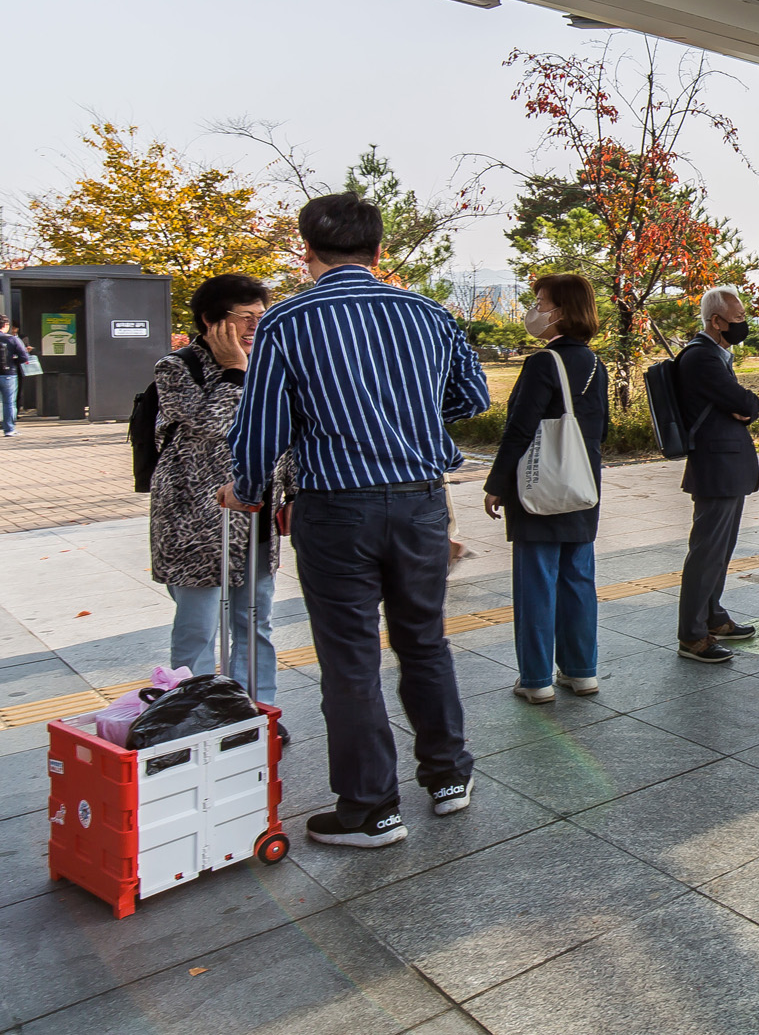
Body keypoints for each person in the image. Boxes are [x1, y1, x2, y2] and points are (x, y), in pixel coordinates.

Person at [226, 192, 489, 849]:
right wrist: (407, 415)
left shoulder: (287, 322)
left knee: (350, 659)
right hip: (421, 502)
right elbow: (472, 395)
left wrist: (248, 488)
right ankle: (449, 777)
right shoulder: (429, 314)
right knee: (424, 641)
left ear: (306, 249)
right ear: (379, 250)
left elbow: (262, 426)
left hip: (337, 508)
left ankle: (372, 809)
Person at [152, 274, 289, 732]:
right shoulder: (176, 368)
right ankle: (190, 719)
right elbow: (211, 426)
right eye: (245, 317)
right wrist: (234, 372)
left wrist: (290, 493)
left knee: (256, 621)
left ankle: (257, 713)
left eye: (260, 316)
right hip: (193, 519)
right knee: (198, 627)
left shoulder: (268, 362)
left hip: (255, 512)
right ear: (211, 321)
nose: (255, 327)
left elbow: (284, 435)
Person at [483, 273, 608, 705]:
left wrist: (497, 484)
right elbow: (601, 429)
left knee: (537, 582)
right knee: (578, 579)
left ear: (562, 311)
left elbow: (519, 429)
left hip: (539, 485)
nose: (533, 311)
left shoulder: (543, 362)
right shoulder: (595, 363)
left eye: (540, 302)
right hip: (582, 483)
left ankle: (536, 679)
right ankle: (582, 672)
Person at [673, 287, 759, 659]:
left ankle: (713, 616)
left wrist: (743, 407)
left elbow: (739, 404)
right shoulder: (702, 357)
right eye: (738, 318)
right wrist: (748, 405)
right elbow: (744, 402)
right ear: (716, 321)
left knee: (719, 551)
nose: (743, 324)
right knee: (707, 552)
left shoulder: (715, 355)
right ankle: (692, 635)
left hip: (725, 465)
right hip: (716, 467)